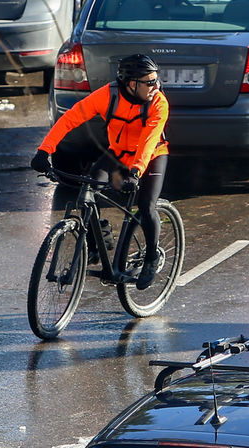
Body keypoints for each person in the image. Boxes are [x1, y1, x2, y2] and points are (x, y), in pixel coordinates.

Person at [30, 54, 170, 290]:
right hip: (118, 153)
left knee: (146, 206)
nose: (155, 86)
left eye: (156, 80)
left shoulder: (158, 103)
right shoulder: (108, 95)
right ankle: (98, 241)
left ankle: (150, 258)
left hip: (152, 156)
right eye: (149, 82)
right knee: (87, 191)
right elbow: (71, 118)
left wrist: (135, 172)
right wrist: (44, 151)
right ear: (131, 83)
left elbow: (149, 141)